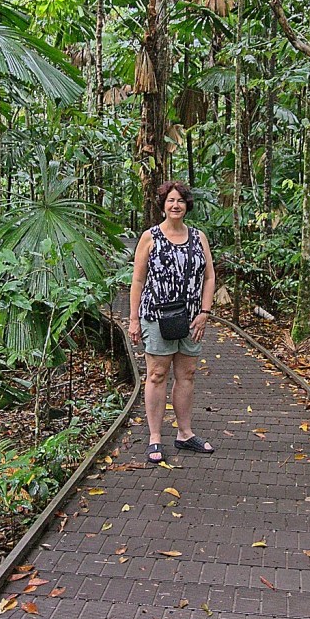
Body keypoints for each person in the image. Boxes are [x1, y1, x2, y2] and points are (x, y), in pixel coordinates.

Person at [129, 181, 216, 464]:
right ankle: (155, 437)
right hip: (157, 315)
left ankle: (185, 433)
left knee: (187, 373)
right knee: (157, 374)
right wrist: (133, 319)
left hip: (191, 317)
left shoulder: (198, 237)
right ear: (163, 205)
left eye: (180, 200)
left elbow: (209, 277)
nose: (175, 205)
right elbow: (138, 280)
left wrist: (204, 311)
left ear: (187, 205)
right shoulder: (150, 236)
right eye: (170, 200)